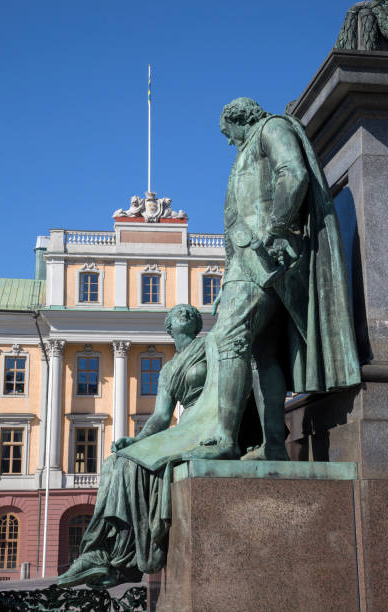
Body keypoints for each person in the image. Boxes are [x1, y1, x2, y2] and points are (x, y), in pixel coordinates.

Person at [183, 97, 361, 462]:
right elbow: (236, 216)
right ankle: (275, 445)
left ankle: (225, 438)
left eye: (227, 133)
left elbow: (293, 171)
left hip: (262, 258)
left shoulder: (271, 128)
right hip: (247, 262)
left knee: (229, 339)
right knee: (262, 354)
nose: (228, 141)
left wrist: (278, 229)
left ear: (239, 118)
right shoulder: (246, 150)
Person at [58, 304, 206, 588]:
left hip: (208, 420)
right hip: (186, 425)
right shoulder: (167, 371)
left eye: (190, 312)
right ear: (169, 327)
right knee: (116, 461)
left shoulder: (209, 345)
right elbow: (161, 417)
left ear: (198, 324)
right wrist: (137, 440)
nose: (185, 313)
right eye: (178, 312)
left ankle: (118, 559)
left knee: (129, 464)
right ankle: (106, 552)